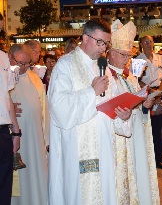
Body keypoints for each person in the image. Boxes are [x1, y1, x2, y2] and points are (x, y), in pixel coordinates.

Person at [48, 19, 122, 204]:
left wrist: (122, 114)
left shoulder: (102, 67)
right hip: (77, 147)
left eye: (106, 43)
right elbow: (59, 107)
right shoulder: (65, 65)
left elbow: (111, 102)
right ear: (85, 38)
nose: (103, 49)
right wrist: (91, 92)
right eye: (100, 42)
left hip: (103, 144)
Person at [105, 20, 160, 204]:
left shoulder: (130, 76)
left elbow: (137, 102)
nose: (126, 59)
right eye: (122, 54)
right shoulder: (105, 76)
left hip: (135, 135)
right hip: (118, 139)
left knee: (136, 174)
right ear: (111, 53)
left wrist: (145, 105)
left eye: (128, 55)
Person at [9, 44, 49, 205]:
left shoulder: (35, 79)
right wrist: (8, 109)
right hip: (12, 139)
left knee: (35, 174)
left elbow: (45, 111)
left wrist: (46, 140)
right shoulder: (4, 77)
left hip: (35, 141)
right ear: (10, 58)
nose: (23, 67)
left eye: (26, 63)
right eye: (20, 63)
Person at [135, 35, 162, 169]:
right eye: (146, 42)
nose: (149, 44)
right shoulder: (138, 60)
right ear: (141, 44)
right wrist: (151, 91)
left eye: (151, 41)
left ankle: (158, 158)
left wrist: (159, 90)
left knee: (160, 129)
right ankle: (148, 159)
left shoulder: (160, 58)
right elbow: (136, 79)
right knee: (149, 129)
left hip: (160, 96)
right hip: (147, 98)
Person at [0, 13, 21, 205]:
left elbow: (8, 98)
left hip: (2, 132)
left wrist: (16, 131)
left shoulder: (3, 58)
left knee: (4, 184)